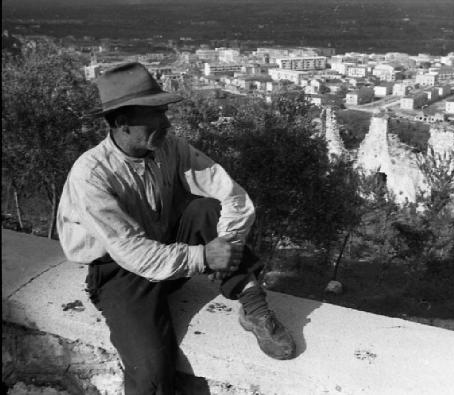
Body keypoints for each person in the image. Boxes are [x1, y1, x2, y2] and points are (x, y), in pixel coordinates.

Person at [56, 62, 296, 394]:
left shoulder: (170, 148)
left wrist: (224, 244)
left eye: (164, 112)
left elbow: (231, 195)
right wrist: (203, 257)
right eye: (155, 114)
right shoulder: (92, 175)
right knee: (152, 375)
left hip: (168, 250)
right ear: (122, 123)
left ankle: (254, 307)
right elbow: (132, 252)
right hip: (120, 274)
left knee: (206, 209)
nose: (167, 122)